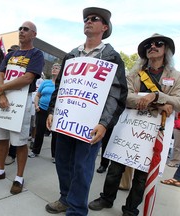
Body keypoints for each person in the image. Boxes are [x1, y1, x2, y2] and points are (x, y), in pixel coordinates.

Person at [45, 7, 128, 216]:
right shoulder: (72, 55)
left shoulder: (112, 57)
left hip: (90, 125)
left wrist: (104, 123)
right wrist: (52, 111)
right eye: (86, 19)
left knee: (82, 167)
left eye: (94, 19)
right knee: (63, 162)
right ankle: (65, 198)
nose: (88, 21)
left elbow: (116, 93)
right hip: (65, 120)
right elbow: (61, 86)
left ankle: (77, 210)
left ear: (105, 27)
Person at [88, 33, 180, 216]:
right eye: (148, 45)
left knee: (142, 175)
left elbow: (178, 101)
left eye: (158, 44)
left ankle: (131, 209)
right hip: (128, 127)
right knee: (115, 168)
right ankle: (106, 198)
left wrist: (154, 96)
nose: (152, 47)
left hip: (154, 132)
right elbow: (125, 95)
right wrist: (160, 103)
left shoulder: (176, 76)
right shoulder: (133, 74)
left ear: (166, 50)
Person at [0, 21, 44, 195]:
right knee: (1, 137)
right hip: (4, 99)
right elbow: (0, 74)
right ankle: (0, 171)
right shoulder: (11, 55)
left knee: (19, 141)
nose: (22, 31)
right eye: (20, 29)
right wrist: (0, 95)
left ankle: (19, 178)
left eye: (26, 29)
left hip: (22, 101)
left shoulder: (36, 54)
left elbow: (27, 78)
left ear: (33, 34)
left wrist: (1, 89)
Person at [28, 63, 60, 162]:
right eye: (53, 68)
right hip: (42, 109)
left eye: (57, 68)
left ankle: (55, 156)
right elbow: (38, 95)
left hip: (54, 112)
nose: (54, 69)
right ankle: (35, 151)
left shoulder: (62, 84)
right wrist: (36, 106)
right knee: (39, 131)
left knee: (55, 134)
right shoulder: (45, 82)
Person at [4, 44, 21, 166]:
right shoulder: (6, 66)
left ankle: (12, 154)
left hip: (18, 100)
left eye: (12, 52)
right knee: (4, 129)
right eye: (8, 52)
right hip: (5, 97)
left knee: (14, 131)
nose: (10, 54)